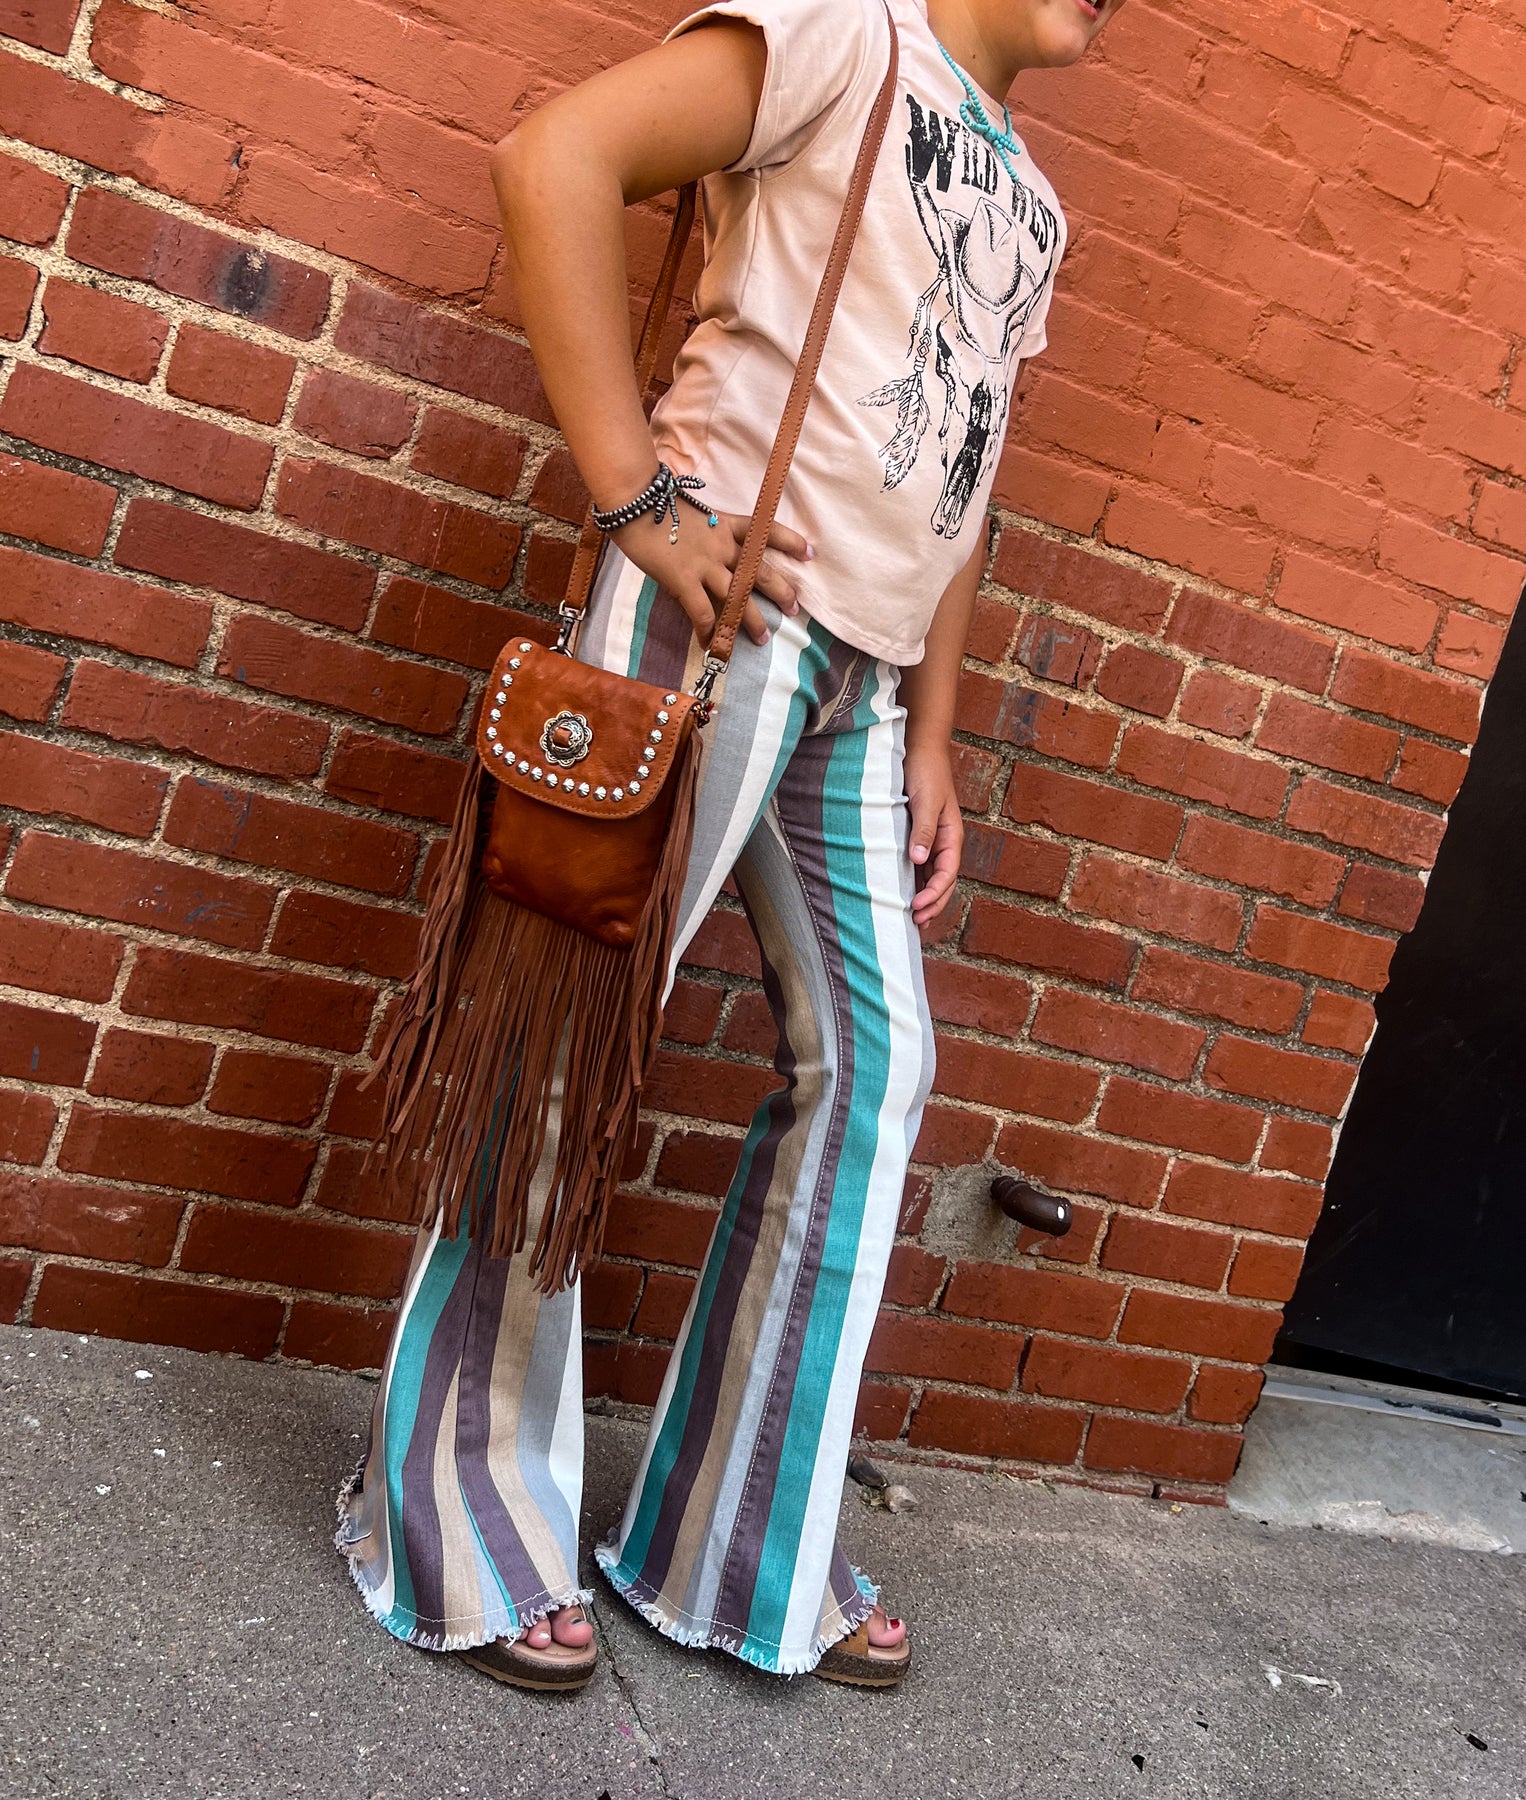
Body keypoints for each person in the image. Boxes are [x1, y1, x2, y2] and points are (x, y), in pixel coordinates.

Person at [337, 0, 1127, 1693]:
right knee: (568, 1029)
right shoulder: (842, 34)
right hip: (714, 622)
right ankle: (452, 1517)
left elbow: (962, 468)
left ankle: (732, 1544)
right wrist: (636, 497)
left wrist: (932, 728)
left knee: (874, 1069)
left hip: (862, 684)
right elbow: (554, 158)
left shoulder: (1033, 202)